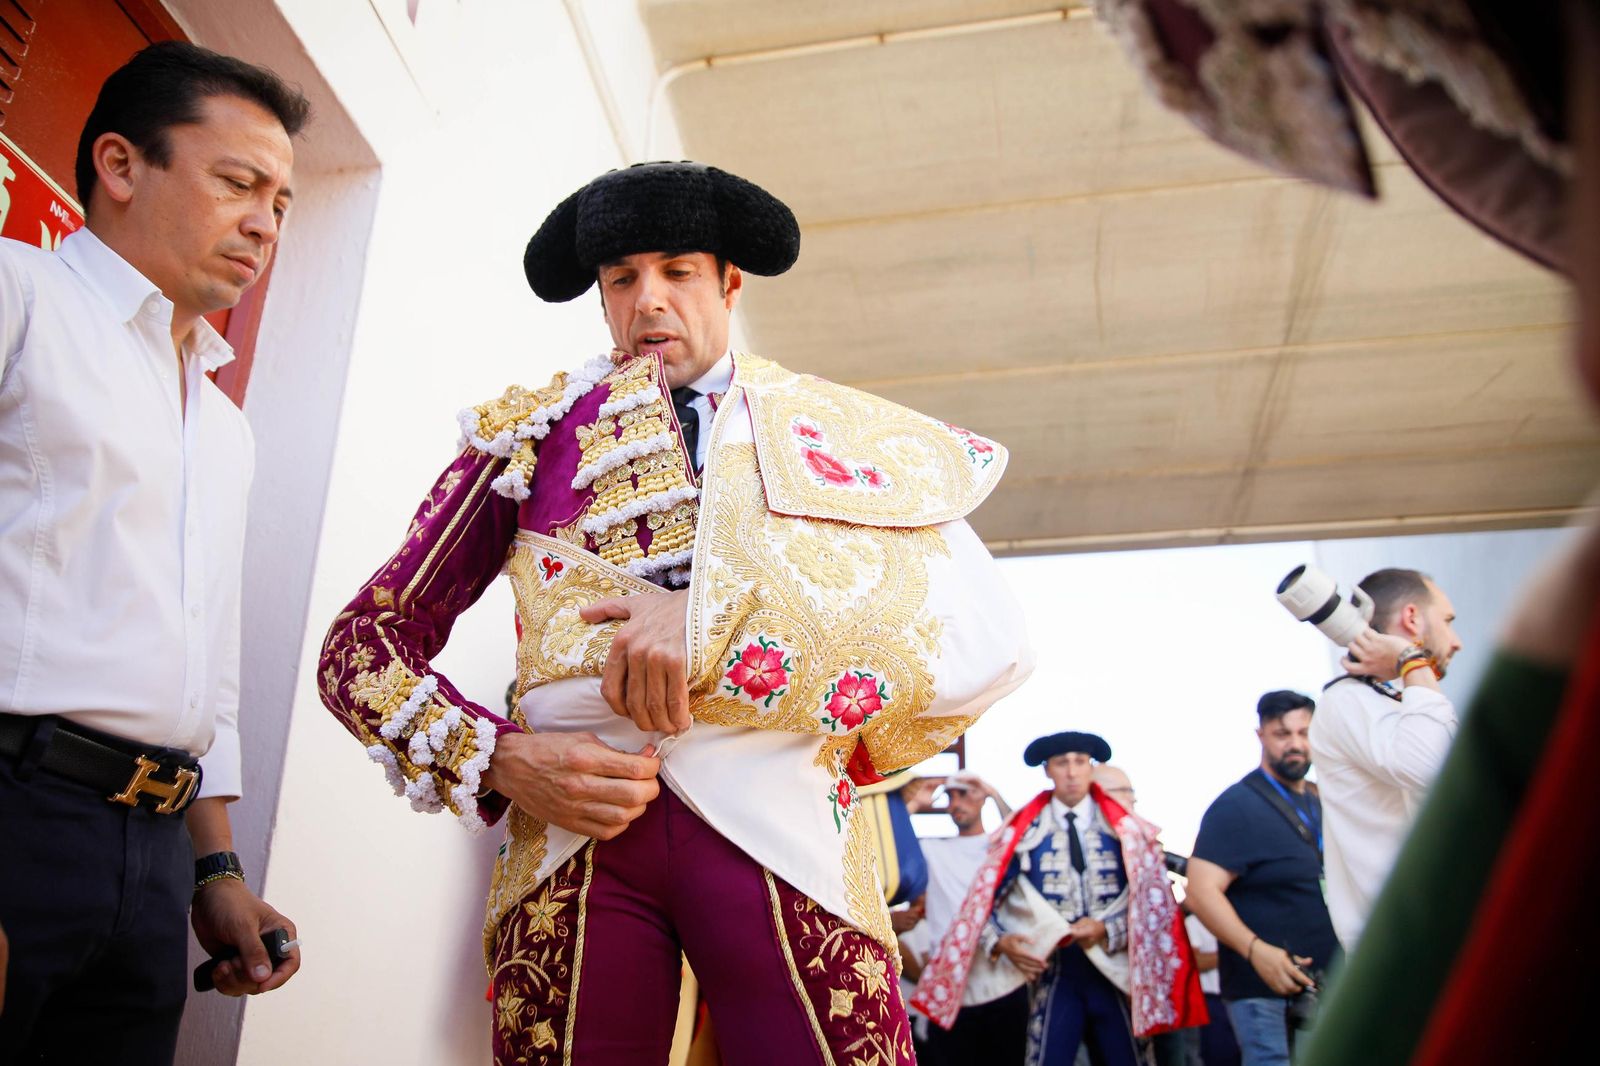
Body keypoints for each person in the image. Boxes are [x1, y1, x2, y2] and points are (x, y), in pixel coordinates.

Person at [316, 160, 1034, 1065]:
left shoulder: (837, 433)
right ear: (602, 300)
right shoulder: (526, 438)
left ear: (730, 282)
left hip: (787, 821)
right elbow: (360, 648)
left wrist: (707, 621)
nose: (648, 299)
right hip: (573, 836)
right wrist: (499, 758)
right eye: (622, 279)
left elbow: (986, 637)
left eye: (678, 271)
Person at [0, 42, 306, 1064]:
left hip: (152, 861)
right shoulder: (18, 295)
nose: (265, 223)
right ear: (122, 165)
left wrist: (215, 871)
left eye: (281, 202)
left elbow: (207, 673)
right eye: (238, 184)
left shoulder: (223, 425)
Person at [915, 732, 1205, 1065]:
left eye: (1079, 762)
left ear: (1090, 767)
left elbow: (1149, 900)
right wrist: (1001, 942)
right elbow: (983, 899)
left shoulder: (1124, 830)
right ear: (1047, 770)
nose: (1071, 772)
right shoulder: (1026, 830)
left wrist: (1106, 929)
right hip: (1055, 970)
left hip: (1114, 970)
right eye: (1061, 763)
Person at [1185, 692, 1339, 1066]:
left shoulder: (1319, 801)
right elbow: (1201, 891)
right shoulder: (1236, 805)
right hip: (1264, 993)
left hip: (1325, 984)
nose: (1296, 744)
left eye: (1304, 733)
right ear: (1261, 735)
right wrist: (1256, 950)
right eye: (1282, 733)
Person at [1311, 568, 1461, 949]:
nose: (1456, 641)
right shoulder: (1347, 701)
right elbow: (1432, 768)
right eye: (1447, 621)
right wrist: (1410, 658)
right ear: (1412, 618)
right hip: (1407, 950)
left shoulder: (1403, 699)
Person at [915, 771, 1026, 1066]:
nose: (956, 803)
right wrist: (916, 803)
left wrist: (994, 792)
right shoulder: (932, 850)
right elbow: (891, 851)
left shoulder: (998, 847)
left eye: (964, 793)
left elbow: (1026, 838)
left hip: (1002, 984)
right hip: (948, 987)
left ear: (981, 798)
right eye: (951, 796)